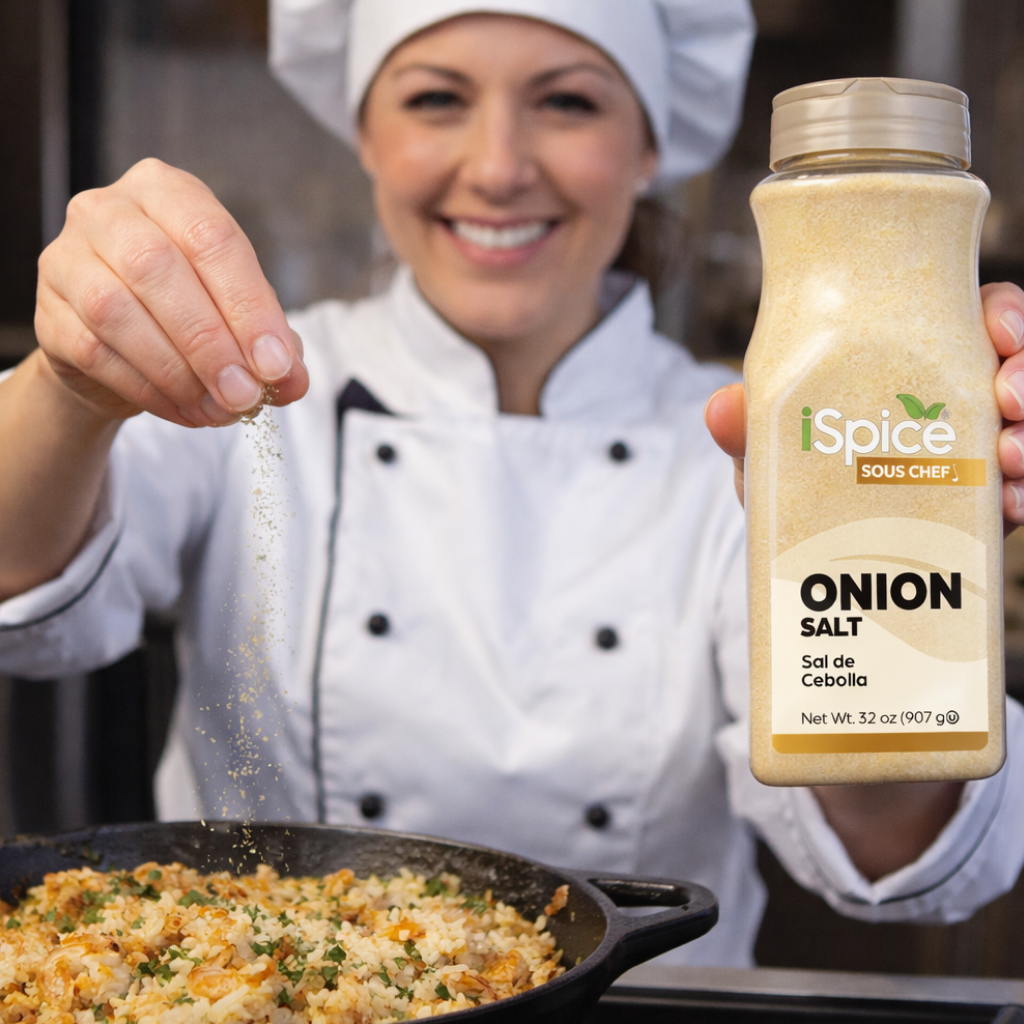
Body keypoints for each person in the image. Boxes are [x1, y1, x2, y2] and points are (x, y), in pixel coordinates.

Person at [2, 0, 1024, 968]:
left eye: (568, 100)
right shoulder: (251, 379)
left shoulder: (758, 433)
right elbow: (25, 604)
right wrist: (70, 386)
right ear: (363, 130)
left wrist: (907, 556)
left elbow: (892, 846)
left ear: (652, 142)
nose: (496, 169)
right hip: (264, 999)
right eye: (437, 98)